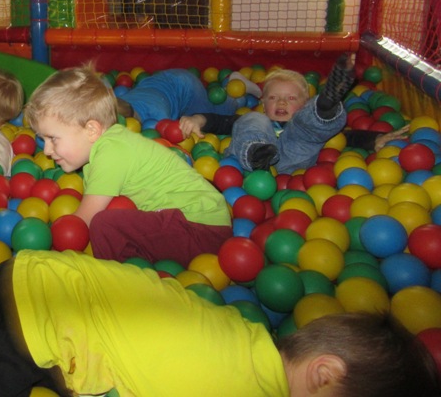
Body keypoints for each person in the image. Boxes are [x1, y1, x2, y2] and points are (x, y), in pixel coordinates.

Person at [0, 249, 439, 397]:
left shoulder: (249, 339)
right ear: (324, 374)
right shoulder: (237, 385)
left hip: (55, 289)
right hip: (23, 310)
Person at [24, 65, 231, 265]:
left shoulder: (110, 154)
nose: (47, 151)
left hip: (200, 229)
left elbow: (80, 224)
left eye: (53, 139)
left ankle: (116, 277)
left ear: (91, 130)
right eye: (43, 139)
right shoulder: (110, 144)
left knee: (104, 224)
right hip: (196, 223)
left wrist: (46, 249)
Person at [179, 55, 359, 174]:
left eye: (291, 98)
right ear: (263, 105)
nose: (281, 102)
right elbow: (220, 122)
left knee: (306, 128)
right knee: (252, 119)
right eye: (273, 98)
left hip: (294, 158)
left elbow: (346, 137)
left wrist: (370, 140)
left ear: (304, 104)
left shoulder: (301, 125)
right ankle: (256, 152)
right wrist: (198, 119)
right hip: (249, 163)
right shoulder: (258, 119)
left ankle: (324, 108)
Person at [116, 68, 261, 123]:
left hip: (186, 87)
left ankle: (235, 88)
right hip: (163, 80)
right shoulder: (119, 103)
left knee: (215, 116)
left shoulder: (158, 117)